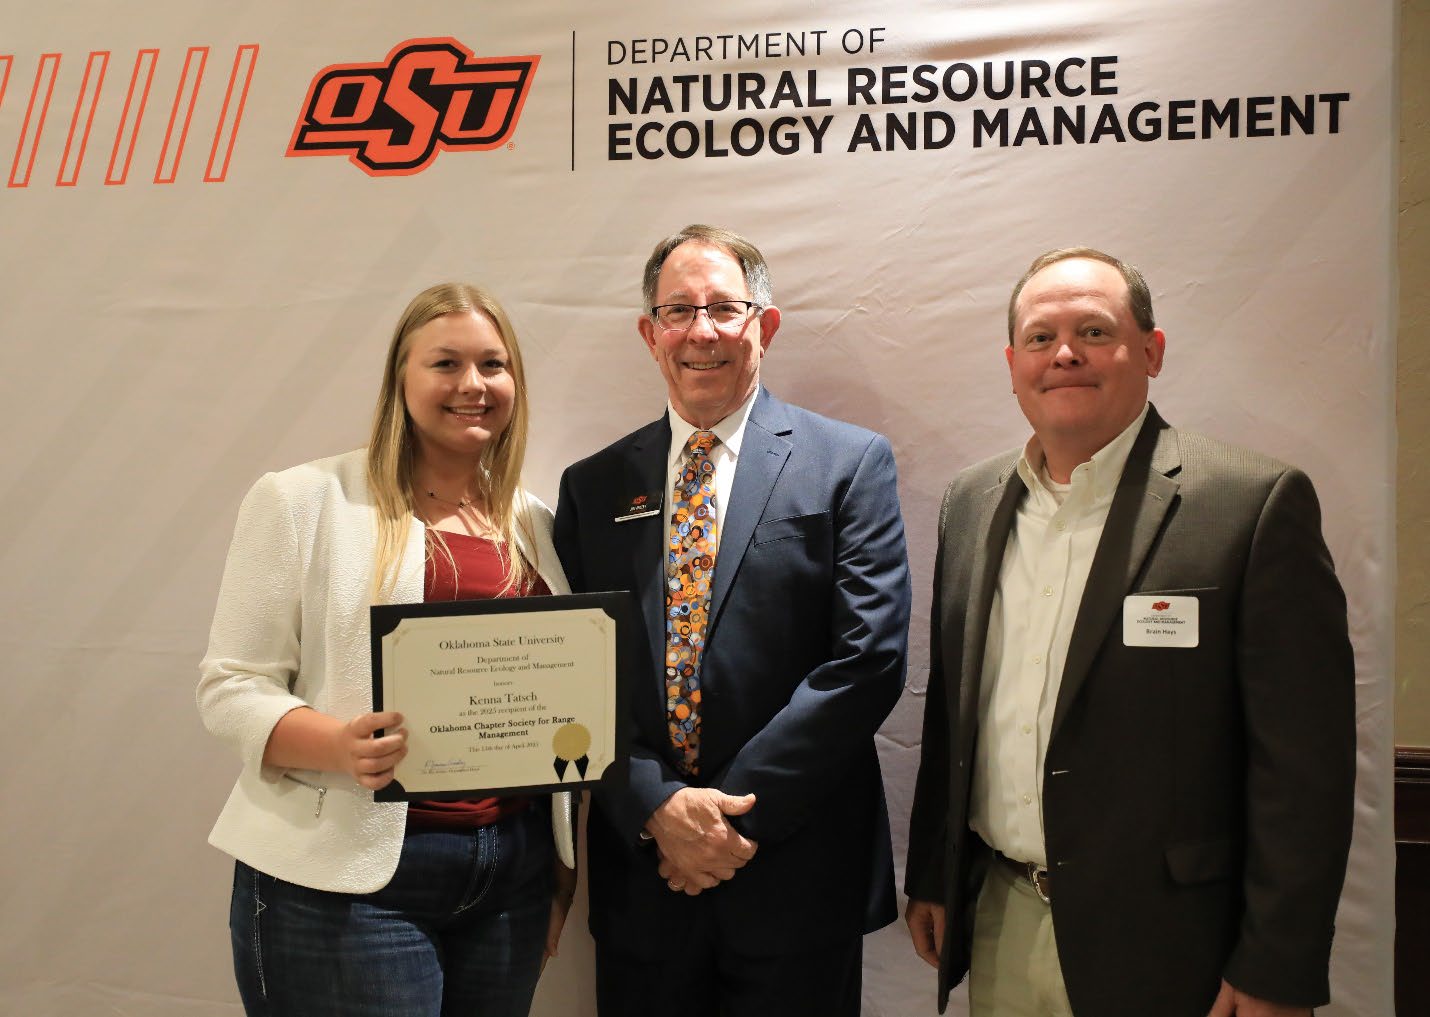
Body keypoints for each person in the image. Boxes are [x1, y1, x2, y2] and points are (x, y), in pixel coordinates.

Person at [904, 248, 1356, 1017]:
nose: (1065, 355)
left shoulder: (1251, 505)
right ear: (1013, 364)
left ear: (1151, 351)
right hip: (1001, 918)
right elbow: (952, 710)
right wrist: (932, 872)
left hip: (1176, 948)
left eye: (1093, 330)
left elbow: (1304, 770)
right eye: (1041, 338)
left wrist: (1276, 965)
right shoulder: (971, 502)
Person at [553, 224, 912, 1016]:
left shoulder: (848, 463)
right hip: (646, 879)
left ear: (765, 325)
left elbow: (868, 660)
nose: (702, 332)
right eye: (678, 311)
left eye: (725, 307)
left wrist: (727, 817)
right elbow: (576, 675)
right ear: (650, 335)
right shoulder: (592, 488)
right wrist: (655, 805)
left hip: (795, 871)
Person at [197, 283, 577, 1017]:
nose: (473, 385)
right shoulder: (303, 500)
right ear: (400, 382)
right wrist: (339, 744)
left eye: (494, 365)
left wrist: (558, 876)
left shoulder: (537, 524)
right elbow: (231, 686)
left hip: (509, 883)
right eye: (446, 363)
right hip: (345, 883)